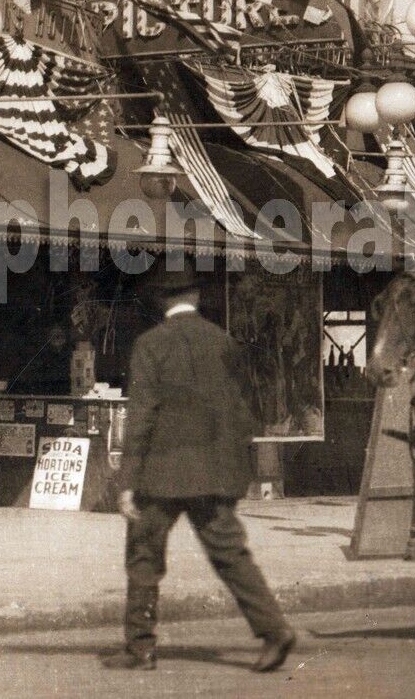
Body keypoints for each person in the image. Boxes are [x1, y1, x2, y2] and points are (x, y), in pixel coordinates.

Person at [113, 256, 296, 673]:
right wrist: (234, 471)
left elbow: (141, 417)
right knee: (232, 555)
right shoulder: (223, 342)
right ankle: (274, 630)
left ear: (162, 301)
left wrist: (127, 481)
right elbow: (243, 412)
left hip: (160, 474)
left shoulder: (150, 345)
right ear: (195, 295)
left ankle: (140, 648)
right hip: (215, 473)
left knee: (144, 556)